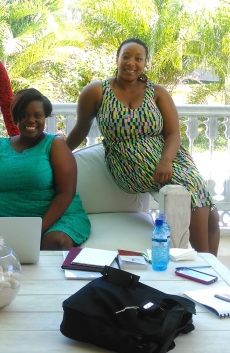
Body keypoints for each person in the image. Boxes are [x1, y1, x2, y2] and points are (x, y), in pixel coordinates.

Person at [65, 38, 220, 255]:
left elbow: (173, 133)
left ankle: (212, 266)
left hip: (169, 158)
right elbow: (80, 130)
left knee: (211, 211)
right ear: (117, 58)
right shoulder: (97, 91)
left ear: (145, 63)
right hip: (129, 162)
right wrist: (56, 153)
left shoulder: (157, 92)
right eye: (126, 56)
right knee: (196, 194)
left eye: (138, 58)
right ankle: (203, 261)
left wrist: (166, 161)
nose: (131, 63)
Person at [0, 88, 90, 250]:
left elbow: (66, 193)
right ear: (16, 118)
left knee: (56, 242)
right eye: (25, 115)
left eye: (37, 115)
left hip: (53, 220)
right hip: (6, 220)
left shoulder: (55, 144)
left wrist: (36, 230)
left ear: (44, 118)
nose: (31, 120)